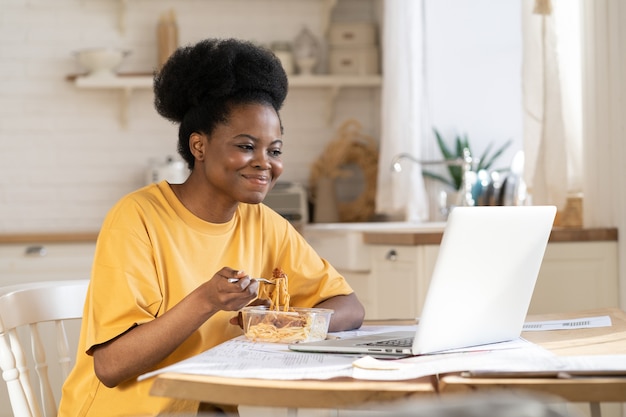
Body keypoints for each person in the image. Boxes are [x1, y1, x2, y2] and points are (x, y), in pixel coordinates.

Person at [58, 38, 365, 416]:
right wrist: (206, 300)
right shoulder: (138, 218)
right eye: (246, 145)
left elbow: (348, 306)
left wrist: (284, 321)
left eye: (275, 150)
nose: (264, 163)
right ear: (199, 147)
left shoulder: (265, 223)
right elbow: (111, 366)